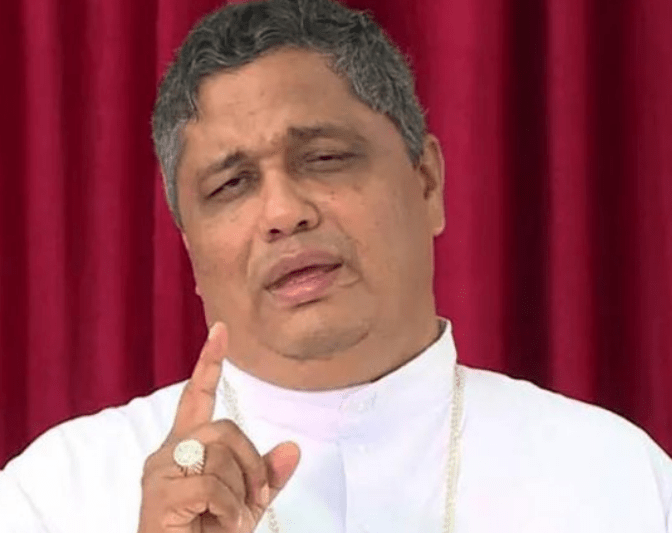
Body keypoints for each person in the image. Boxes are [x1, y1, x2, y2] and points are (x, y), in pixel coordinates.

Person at [1, 0, 671, 531]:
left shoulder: (616, 478)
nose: (283, 212)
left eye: (323, 158)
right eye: (231, 184)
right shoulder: (57, 496)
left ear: (427, 183)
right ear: (190, 250)